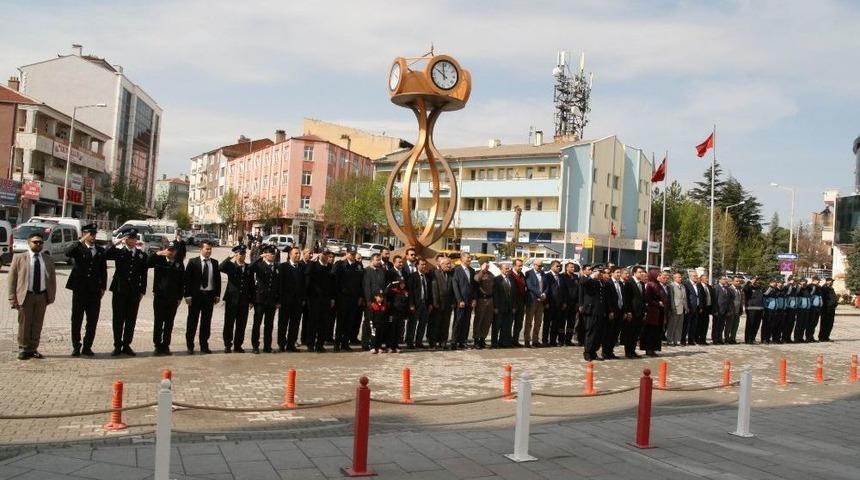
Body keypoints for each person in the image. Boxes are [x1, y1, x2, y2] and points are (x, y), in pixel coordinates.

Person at [8, 232, 56, 360]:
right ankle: (24, 348)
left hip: (41, 296)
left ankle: (33, 348)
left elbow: (52, 279)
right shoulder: (19, 258)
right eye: (35, 242)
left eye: (40, 242)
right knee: (24, 324)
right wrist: (12, 298)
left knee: (37, 324)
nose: (38, 244)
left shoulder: (47, 259)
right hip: (25, 296)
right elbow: (12, 280)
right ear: (29, 243)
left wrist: (50, 296)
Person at [64, 223, 107, 357]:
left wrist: (103, 287)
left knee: (92, 319)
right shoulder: (78, 248)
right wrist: (80, 240)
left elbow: (103, 270)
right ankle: (76, 345)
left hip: (94, 290)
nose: (93, 236)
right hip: (80, 289)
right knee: (76, 318)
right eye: (90, 234)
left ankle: (87, 346)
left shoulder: (100, 250)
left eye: (94, 234)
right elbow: (67, 253)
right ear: (84, 234)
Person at [105, 228, 148, 356]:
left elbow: (144, 275)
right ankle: (117, 344)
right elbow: (106, 254)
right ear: (125, 239)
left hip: (134, 292)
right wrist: (117, 243)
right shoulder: (119, 252)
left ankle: (126, 344)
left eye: (134, 238)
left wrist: (142, 291)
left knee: (131, 319)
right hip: (119, 290)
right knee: (118, 318)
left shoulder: (141, 255)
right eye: (129, 238)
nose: (132, 240)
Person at [147, 241, 185, 355]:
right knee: (158, 322)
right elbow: (147, 262)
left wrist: (180, 297)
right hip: (160, 297)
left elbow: (181, 282)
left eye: (173, 250)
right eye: (169, 249)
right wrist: (158, 253)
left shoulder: (179, 263)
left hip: (173, 298)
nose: (171, 252)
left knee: (169, 323)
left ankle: (166, 345)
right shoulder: (159, 260)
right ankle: (157, 345)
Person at [184, 240, 221, 354]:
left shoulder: (214, 263)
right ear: (201, 249)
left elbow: (217, 280)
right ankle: (190, 346)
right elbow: (187, 280)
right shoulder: (193, 262)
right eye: (207, 249)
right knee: (192, 321)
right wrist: (187, 295)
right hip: (196, 296)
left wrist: (217, 295)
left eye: (210, 249)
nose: (209, 251)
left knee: (206, 322)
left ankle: (204, 345)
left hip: (209, 296)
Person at [220, 245, 254, 353]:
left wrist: (251, 300)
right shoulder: (230, 266)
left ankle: (238, 345)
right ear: (236, 255)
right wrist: (229, 257)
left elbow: (251, 285)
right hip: (231, 300)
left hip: (244, 301)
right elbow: (220, 267)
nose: (242, 256)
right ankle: (228, 345)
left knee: (241, 324)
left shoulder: (248, 268)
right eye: (240, 254)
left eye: (243, 254)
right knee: (229, 323)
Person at [333, 246, 364, 352]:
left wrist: (360, 296)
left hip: (354, 298)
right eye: (351, 254)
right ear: (346, 253)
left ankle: (345, 343)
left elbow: (361, 283)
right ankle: (337, 344)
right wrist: (336, 297)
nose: (353, 256)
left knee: (350, 322)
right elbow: (335, 282)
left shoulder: (358, 266)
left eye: (354, 254)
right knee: (341, 322)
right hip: (342, 298)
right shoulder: (340, 265)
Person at [250, 245, 280, 353]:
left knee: (269, 324)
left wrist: (278, 301)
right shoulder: (259, 265)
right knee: (257, 323)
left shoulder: (277, 266)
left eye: (273, 253)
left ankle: (267, 346)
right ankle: (255, 346)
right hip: (260, 299)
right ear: (266, 254)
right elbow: (250, 267)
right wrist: (259, 257)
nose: (272, 255)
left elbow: (278, 285)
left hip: (271, 300)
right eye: (270, 253)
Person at [306, 251, 336, 352]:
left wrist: (332, 298)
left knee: (323, 323)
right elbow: (307, 274)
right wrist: (313, 260)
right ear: (321, 255)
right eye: (325, 255)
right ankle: (310, 344)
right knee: (312, 322)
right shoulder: (314, 265)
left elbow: (333, 284)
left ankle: (320, 345)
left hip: (326, 299)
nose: (327, 257)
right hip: (314, 299)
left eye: (329, 256)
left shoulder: (330, 267)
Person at [278, 247, 306, 352]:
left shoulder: (302, 267)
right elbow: (280, 285)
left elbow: (304, 284)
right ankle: (281, 344)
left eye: (299, 253)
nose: (298, 255)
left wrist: (303, 298)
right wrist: (279, 300)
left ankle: (291, 344)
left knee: (295, 324)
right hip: (285, 301)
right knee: (283, 323)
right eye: (296, 253)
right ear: (290, 255)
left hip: (297, 301)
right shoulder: (283, 267)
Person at [579, 265, 608, 361]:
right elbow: (582, 282)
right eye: (599, 272)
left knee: (598, 333)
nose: (600, 274)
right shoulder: (588, 280)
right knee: (590, 332)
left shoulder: (601, 282)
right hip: (591, 311)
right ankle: (587, 352)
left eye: (601, 272)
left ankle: (594, 352)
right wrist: (592, 276)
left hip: (599, 311)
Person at [406, 257, 433, 348]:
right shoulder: (413, 276)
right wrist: (411, 304)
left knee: (422, 324)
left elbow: (429, 292)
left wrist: (430, 304)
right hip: (415, 304)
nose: (424, 266)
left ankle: (419, 342)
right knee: (412, 324)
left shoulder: (427, 277)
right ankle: (410, 342)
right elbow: (410, 292)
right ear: (417, 265)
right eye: (422, 264)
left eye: (425, 264)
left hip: (424, 304)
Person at [362, 253, 388, 349]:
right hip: (371, 302)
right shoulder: (367, 271)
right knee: (369, 323)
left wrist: (382, 297)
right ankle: (365, 343)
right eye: (376, 260)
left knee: (378, 324)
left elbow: (383, 286)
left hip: (380, 301)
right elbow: (367, 287)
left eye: (379, 260)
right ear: (371, 260)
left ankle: (376, 343)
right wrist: (369, 300)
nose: (378, 261)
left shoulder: (381, 271)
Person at [641, 271, 668, 357]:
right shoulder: (650, 285)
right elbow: (648, 299)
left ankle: (653, 349)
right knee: (650, 331)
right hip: (652, 312)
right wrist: (658, 303)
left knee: (656, 331)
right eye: (658, 275)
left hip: (659, 312)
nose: (660, 277)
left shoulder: (658, 285)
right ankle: (648, 349)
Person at [429, 256, 455, 349]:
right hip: (438, 303)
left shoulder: (451, 274)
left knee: (445, 324)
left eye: (450, 263)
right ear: (441, 264)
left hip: (448, 304)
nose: (449, 265)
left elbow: (452, 290)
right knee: (436, 324)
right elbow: (434, 289)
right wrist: (435, 303)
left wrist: (452, 302)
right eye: (447, 264)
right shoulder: (435, 273)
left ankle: (443, 342)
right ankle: (433, 342)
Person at [451, 252, 476, 349]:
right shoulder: (456, 270)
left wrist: (474, 299)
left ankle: (462, 341)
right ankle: (454, 341)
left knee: (466, 321)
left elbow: (474, 286)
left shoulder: (472, 270)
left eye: (470, 258)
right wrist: (459, 300)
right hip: (460, 301)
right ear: (462, 259)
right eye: (468, 258)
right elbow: (455, 286)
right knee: (458, 321)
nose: (469, 259)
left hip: (469, 301)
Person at [622, 266, 647, 357]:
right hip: (632, 312)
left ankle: (632, 351)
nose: (641, 274)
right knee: (630, 333)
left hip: (640, 313)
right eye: (639, 272)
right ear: (634, 273)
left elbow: (643, 299)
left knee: (636, 333)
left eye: (642, 272)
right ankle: (628, 352)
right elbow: (627, 299)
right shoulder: (629, 283)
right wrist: (628, 311)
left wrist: (644, 311)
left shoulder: (642, 284)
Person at [524, 259, 547, 348]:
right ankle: (527, 340)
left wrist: (544, 294)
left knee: (538, 322)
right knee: (529, 321)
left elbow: (546, 286)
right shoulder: (529, 273)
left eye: (541, 266)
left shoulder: (543, 274)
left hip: (541, 301)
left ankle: (535, 340)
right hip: (532, 300)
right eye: (538, 265)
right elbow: (530, 286)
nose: (540, 267)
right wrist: (539, 294)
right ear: (534, 265)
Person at [603, 266, 625, 359]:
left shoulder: (620, 284)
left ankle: (611, 351)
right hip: (612, 311)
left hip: (619, 311)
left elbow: (623, 298)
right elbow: (607, 299)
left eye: (619, 272)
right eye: (617, 272)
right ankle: (605, 352)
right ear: (611, 273)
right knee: (609, 333)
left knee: (615, 333)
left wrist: (624, 311)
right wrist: (610, 311)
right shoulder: (608, 283)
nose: (619, 274)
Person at [472, 260, 495, 349]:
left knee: (487, 320)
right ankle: (476, 340)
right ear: (481, 265)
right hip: (481, 300)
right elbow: (477, 279)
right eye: (485, 265)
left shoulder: (491, 274)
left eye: (488, 265)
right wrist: (482, 271)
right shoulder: (477, 273)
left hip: (490, 300)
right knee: (479, 320)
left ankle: (482, 339)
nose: (487, 267)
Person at [492, 263, 515, 348]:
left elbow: (513, 294)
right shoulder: (497, 279)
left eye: (509, 269)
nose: (508, 270)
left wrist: (513, 306)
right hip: (499, 307)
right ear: (501, 269)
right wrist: (495, 307)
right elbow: (495, 294)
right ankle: (494, 343)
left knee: (506, 326)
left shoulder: (511, 279)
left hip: (509, 307)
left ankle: (503, 342)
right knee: (497, 326)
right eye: (506, 269)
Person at [386, 278, 410, 353]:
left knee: (398, 331)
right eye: (401, 283)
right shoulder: (393, 290)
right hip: (392, 313)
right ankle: (389, 346)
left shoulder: (405, 292)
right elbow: (386, 292)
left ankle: (395, 346)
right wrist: (392, 283)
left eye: (404, 283)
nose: (402, 285)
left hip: (401, 314)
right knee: (391, 330)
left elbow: (406, 303)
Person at [666, 272, 687, 347]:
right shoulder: (671, 286)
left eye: (681, 277)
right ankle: (670, 340)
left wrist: (686, 307)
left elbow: (684, 298)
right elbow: (671, 298)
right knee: (672, 324)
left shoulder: (683, 286)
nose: (680, 278)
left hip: (681, 308)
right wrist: (672, 307)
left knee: (679, 325)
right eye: (679, 277)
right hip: (674, 307)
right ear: (674, 278)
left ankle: (677, 340)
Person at [510, 259, 527, 347]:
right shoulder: (510, 274)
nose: (521, 267)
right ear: (514, 265)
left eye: (521, 266)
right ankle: (507, 340)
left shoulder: (522, 275)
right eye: (519, 266)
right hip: (512, 303)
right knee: (510, 323)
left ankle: (515, 340)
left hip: (521, 302)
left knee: (519, 323)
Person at [561, 262, 579, 346]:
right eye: (571, 267)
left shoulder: (575, 277)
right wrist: (563, 302)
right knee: (562, 322)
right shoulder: (562, 276)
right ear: (566, 268)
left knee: (571, 322)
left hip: (573, 303)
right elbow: (562, 290)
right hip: (565, 303)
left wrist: (577, 303)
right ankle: (561, 340)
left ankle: (568, 340)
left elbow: (578, 290)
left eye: (573, 267)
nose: (573, 269)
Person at [742, 277, 764, 344]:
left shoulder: (760, 288)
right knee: (750, 325)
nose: (756, 281)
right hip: (751, 309)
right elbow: (745, 289)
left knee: (756, 325)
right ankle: (748, 339)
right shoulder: (749, 287)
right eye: (755, 280)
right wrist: (750, 283)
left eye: (757, 280)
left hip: (760, 309)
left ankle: (753, 338)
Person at [713, 276, 734, 345]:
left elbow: (729, 300)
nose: (725, 280)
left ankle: (720, 338)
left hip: (725, 310)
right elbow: (715, 300)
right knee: (716, 325)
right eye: (724, 279)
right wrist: (715, 310)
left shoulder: (727, 288)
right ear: (720, 280)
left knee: (721, 325)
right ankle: (715, 339)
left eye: (726, 279)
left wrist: (728, 310)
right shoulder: (716, 288)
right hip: (718, 310)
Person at [682, 271, 700, 346]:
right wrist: (687, 307)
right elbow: (686, 296)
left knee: (693, 325)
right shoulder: (686, 284)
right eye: (694, 276)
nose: (696, 277)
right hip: (689, 307)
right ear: (690, 276)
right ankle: (683, 339)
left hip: (696, 308)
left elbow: (699, 296)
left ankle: (691, 340)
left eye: (696, 276)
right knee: (686, 325)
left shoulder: (697, 285)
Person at [697, 275, 714, 345]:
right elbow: (699, 298)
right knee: (700, 324)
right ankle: (698, 339)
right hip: (701, 308)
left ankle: (703, 339)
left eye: (707, 278)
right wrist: (700, 307)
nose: (707, 280)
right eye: (705, 278)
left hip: (708, 308)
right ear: (701, 279)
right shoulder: (699, 286)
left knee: (706, 324)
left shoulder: (709, 287)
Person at [806, 276, 823, 342]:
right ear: (814, 280)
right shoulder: (810, 286)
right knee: (810, 323)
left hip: (817, 307)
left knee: (814, 323)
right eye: (818, 280)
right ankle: (808, 337)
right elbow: (809, 296)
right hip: (812, 307)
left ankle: (811, 336)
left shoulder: (818, 287)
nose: (819, 282)